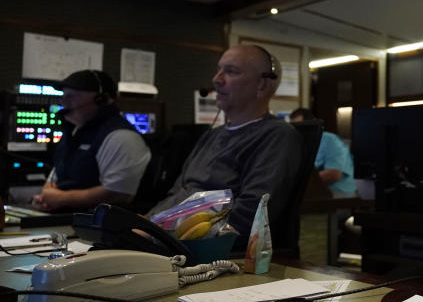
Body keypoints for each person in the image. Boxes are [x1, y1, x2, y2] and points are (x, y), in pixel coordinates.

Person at [148, 45, 301, 248]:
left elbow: (249, 216)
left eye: (231, 71)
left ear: (262, 85)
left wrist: (156, 236)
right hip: (165, 241)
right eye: (219, 69)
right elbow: (178, 193)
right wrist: (145, 223)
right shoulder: (211, 135)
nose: (216, 79)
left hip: (207, 252)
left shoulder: (277, 136)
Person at [32, 69, 150, 212]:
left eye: (73, 96)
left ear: (102, 99)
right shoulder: (75, 132)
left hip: (96, 225)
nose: (64, 102)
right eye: (64, 96)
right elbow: (56, 177)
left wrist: (60, 199)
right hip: (65, 218)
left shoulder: (121, 137)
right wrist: (45, 198)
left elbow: (119, 194)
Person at [288, 108, 356, 197]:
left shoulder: (329, 140)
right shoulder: (300, 143)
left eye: (300, 127)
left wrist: (298, 182)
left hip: (338, 193)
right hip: (314, 193)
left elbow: (334, 174)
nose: (297, 131)